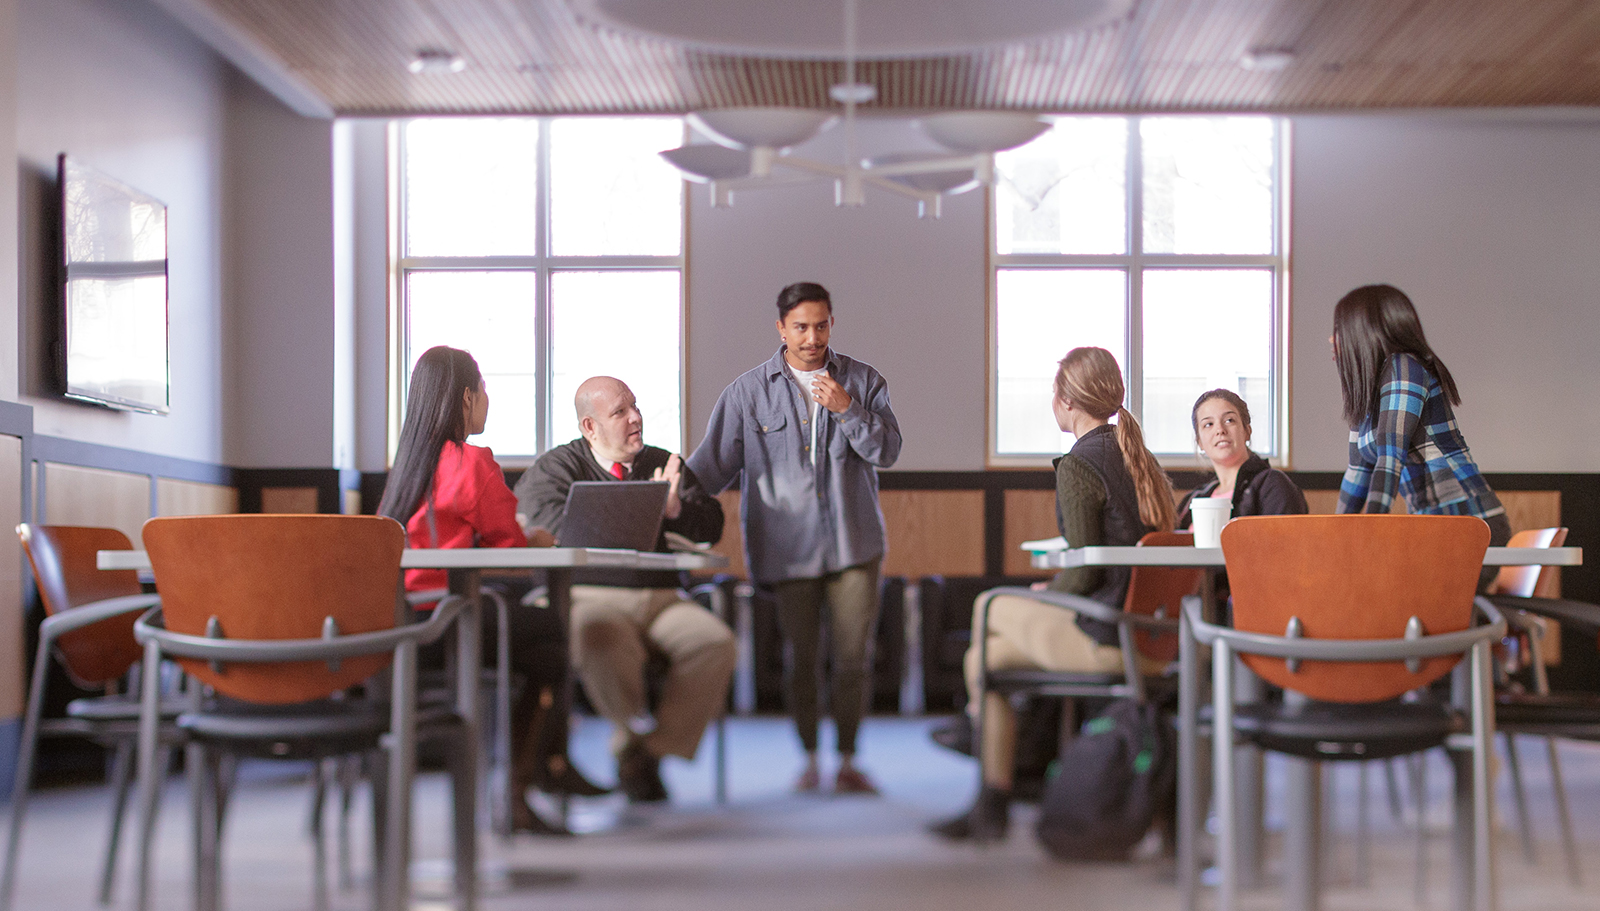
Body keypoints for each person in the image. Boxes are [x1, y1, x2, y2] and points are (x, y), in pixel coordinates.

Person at [932, 346, 1174, 840]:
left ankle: (980, 746)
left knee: (988, 606)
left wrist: (1050, 591)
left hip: (1108, 637)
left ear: (1065, 400)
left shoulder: (1079, 465)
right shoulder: (1137, 455)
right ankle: (991, 796)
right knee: (988, 657)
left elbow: (1083, 572)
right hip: (1153, 635)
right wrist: (1057, 589)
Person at [687, 281, 902, 795]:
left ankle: (848, 759)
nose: (812, 337)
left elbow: (887, 451)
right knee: (799, 659)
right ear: (781, 328)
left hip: (854, 545)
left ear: (832, 323)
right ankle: (809, 759)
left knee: (853, 658)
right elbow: (709, 467)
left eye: (821, 325)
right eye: (801, 327)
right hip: (785, 546)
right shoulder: (747, 392)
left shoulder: (864, 381)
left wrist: (848, 408)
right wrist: (661, 495)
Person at [376, 345, 591, 838]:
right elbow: (511, 545)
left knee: (532, 632)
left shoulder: (406, 464)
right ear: (468, 396)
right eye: (486, 391)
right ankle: (519, 789)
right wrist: (535, 536)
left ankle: (532, 778)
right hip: (451, 618)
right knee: (549, 640)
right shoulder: (470, 462)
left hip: (397, 622)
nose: (488, 401)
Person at [515, 376, 736, 804]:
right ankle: (631, 731)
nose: (635, 417)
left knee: (716, 643)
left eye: (634, 406)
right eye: (620, 412)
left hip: (663, 598)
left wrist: (674, 510)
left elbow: (711, 527)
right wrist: (632, 512)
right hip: (590, 597)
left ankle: (644, 752)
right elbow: (544, 522)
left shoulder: (662, 463)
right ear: (590, 427)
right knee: (596, 636)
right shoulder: (557, 467)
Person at [1331, 284, 1511, 581]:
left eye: (1338, 328)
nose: (1331, 338)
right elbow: (1357, 473)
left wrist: (1365, 533)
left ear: (1363, 330)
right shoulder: (1368, 396)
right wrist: (1328, 537)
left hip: (1470, 528)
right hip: (1435, 530)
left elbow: (1390, 457)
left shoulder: (1404, 368)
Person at [1175, 388, 1307, 536]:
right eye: (1208, 424)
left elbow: (1287, 547)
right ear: (1199, 441)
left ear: (1247, 431)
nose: (1220, 430)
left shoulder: (1273, 485)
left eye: (1229, 420)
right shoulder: (1195, 498)